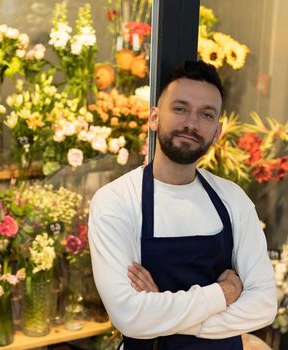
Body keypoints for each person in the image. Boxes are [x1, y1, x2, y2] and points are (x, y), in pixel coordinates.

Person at [88, 60, 277, 350]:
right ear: (154, 118)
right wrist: (223, 293)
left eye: (206, 114)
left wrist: (162, 317)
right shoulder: (116, 201)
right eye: (180, 108)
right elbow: (129, 315)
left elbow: (263, 305)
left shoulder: (232, 199)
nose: (191, 123)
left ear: (217, 131)